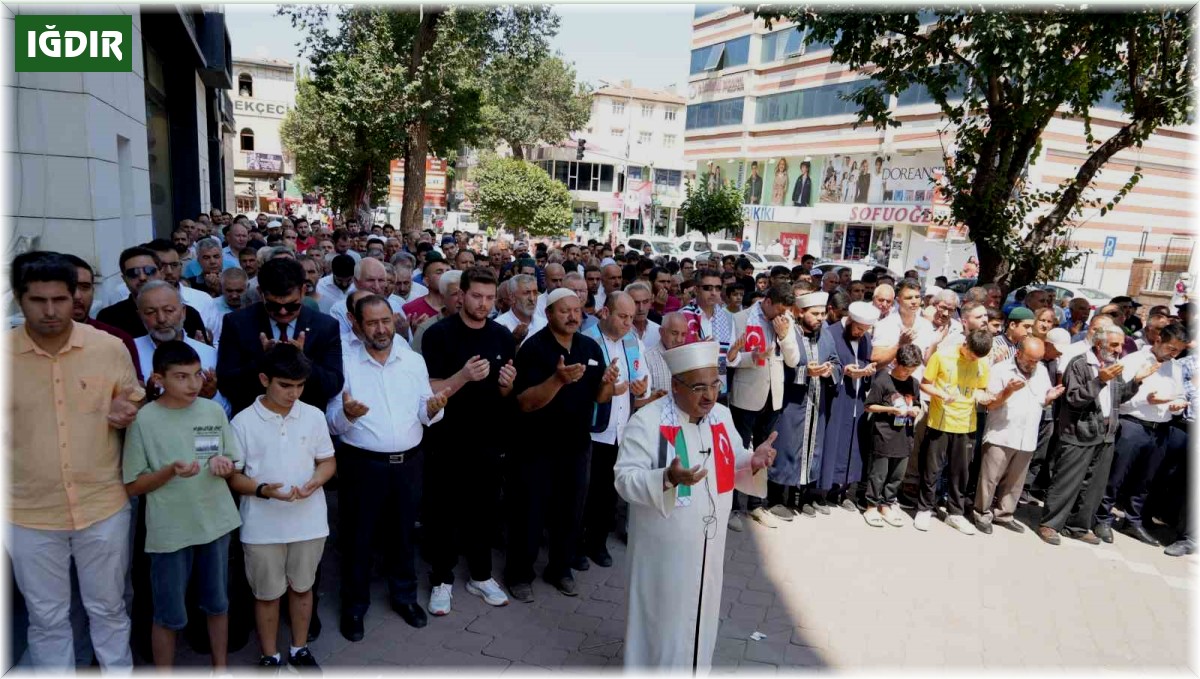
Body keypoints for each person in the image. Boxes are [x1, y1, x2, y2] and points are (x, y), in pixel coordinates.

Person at [9, 252, 142, 671]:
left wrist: (126, 407)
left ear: (77, 297)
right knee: (47, 618)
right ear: (18, 299)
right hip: (27, 513)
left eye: (60, 299)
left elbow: (132, 394)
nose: (50, 310)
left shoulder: (108, 348)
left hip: (102, 507)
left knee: (108, 609)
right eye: (37, 300)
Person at [614, 341, 775, 671]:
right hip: (663, 550)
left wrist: (754, 462)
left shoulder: (721, 416)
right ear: (675, 385)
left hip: (709, 546)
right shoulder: (647, 421)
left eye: (715, 384)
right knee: (662, 621)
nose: (709, 396)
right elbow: (624, 479)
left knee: (702, 616)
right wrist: (667, 478)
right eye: (699, 387)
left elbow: (734, 460)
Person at [328, 295, 450, 640]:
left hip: (409, 464)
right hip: (362, 466)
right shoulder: (346, 363)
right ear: (356, 324)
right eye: (372, 323)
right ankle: (354, 607)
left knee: (403, 534)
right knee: (358, 539)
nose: (382, 329)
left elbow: (425, 413)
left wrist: (436, 407)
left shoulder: (411, 360)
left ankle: (404, 597)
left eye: (386, 321)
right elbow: (333, 422)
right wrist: (347, 415)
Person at [122, 341, 242, 668]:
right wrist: (168, 472)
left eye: (197, 374)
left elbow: (232, 461)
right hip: (169, 531)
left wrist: (224, 465)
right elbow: (132, 485)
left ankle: (221, 668)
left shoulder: (213, 410)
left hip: (215, 523)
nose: (193, 384)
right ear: (158, 379)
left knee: (218, 604)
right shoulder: (144, 420)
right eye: (181, 377)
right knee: (168, 613)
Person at [506, 289, 621, 601]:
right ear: (549, 314)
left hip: (577, 446)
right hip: (536, 448)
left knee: (570, 513)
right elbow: (525, 403)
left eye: (577, 310)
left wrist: (608, 381)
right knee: (530, 513)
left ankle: (560, 569)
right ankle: (519, 574)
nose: (573, 316)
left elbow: (599, 397)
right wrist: (557, 380)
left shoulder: (589, 345)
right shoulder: (534, 349)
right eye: (564, 311)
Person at [225, 344, 334, 670]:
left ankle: (299, 649)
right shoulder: (242, 422)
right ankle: (270, 655)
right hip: (261, 526)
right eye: (285, 385)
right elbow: (233, 475)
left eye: (300, 386)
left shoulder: (313, 415)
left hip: (309, 522)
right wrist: (262, 490)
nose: (293, 393)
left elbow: (327, 461)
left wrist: (317, 480)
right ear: (263, 379)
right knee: (266, 595)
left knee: (303, 589)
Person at [420, 267, 516, 615]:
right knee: (442, 512)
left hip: (487, 440)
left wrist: (507, 383)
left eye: (490, 298)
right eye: (477, 296)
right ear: (461, 295)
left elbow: (506, 392)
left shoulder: (503, 336)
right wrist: (462, 376)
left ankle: (480, 574)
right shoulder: (438, 335)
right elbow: (428, 389)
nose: (484, 304)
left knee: (484, 511)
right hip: (446, 440)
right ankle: (441, 579)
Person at [1037, 325, 1158, 546]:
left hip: (1105, 434)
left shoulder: (1114, 366)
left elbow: (1118, 398)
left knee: (1094, 485)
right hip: (1079, 432)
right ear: (1099, 343)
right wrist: (1099, 380)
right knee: (1067, 481)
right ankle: (1050, 524)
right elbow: (1073, 399)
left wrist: (1136, 381)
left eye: (1121, 345)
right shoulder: (1080, 364)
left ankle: (1078, 526)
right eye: (1114, 344)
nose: (1119, 349)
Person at [1093, 322, 1189, 545]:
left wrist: (1177, 404)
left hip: (1161, 427)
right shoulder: (1133, 360)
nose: (1175, 354)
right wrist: (1145, 399)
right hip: (1133, 424)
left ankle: (1133, 520)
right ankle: (1102, 517)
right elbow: (1117, 395)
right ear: (1158, 341)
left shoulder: (1175, 367)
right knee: (1117, 475)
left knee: (1146, 479)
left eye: (1179, 350)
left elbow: (1181, 395)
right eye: (1171, 348)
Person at [216, 258, 344, 417]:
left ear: (303, 291)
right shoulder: (237, 323)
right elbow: (226, 383)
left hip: (306, 423)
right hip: (253, 422)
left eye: (292, 305)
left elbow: (333, 385)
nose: (283, 312)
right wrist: (263, 361)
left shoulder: (325, 326)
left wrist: (302, 361)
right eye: (273, 305)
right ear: (260, 293)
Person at [579, 292, 652, 568]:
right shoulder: (587, 339)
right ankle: (575, 545)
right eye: (622, 317)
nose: (628, 323)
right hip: (591, 429)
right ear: (606, 312)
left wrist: (640, 388)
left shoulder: (633, 341)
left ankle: (597, 544)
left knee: (607, 493)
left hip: (620, 429)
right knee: (584, 492)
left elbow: (643, 378)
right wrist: (605, 388)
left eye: (631, 318)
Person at [972, 337, 1064, 534]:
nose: (1034, 364)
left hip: (1027, 435)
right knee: (990, 478)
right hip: (1002, 433)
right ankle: (981, 512)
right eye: (1030, 359)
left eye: (1037, 360)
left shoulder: (1041, 371)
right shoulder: (1000, 370)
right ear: (1018, 353)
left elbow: (1042, 400)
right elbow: (991, 404)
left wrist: (1050, 398)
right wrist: (1008, 390)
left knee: (1015, 481)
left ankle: (1004, 514)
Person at [727, 283, 800, 529]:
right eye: (778, 310)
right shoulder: (742, 318)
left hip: (773, 396)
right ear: (767, 301)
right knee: (740, 450)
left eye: (785, 311)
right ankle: (735, 507)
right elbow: (732, 358)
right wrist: (753, 358)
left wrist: (784, 335)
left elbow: (793, 359)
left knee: (765, 451)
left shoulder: (785, 321)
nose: (781, 316)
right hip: (746, 396)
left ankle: (758, 504)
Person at [915, 329, 994, 534]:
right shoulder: (942, 355)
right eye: (972, 354)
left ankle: (955, 513)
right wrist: (940, 394)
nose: (973, 359)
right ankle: (925, 508)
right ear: (965, 344)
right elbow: (925, 384)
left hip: (967, 423)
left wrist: (981, 396)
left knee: (961, 471)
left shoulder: (982, 363)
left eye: (978, 357)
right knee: (932, 468)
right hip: (940, 420)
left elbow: (982, 388)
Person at [810, 301, 879, 513]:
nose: (860, 333)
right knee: (831, 443)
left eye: (865, 330)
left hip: (856, 399)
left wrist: (868, 372)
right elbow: (826, 363)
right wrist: (843, 372)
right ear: (849, 320)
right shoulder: (830, 333)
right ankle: (818, 494)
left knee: (851, 445)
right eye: (858, 328)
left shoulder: (865, 337)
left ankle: (842, 492)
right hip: (834, 397)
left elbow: (866, 360)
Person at [768, 291, 832, 519]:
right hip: (791, 404)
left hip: (816, 404)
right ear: (801, 312)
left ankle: (802, 498)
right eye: (815, 314)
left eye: (823, 313)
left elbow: (835, 360)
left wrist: (830, 370)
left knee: (811, 450)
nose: (821, 318)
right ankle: (776, 499)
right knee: (785, 449)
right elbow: (780, 367)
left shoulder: (824, 334)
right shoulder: (788, 332)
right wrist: (807, 372)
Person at [133, 281, 228, 415]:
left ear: (183, 312)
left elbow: (227, 414)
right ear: (140, 316)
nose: (161, 318)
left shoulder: (209, 354)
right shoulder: (129, 352)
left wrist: (212, 395)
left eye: (169, 310)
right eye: (150, 312)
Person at [862, 344, 923, 527]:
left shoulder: (913, 383)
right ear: (896, 362)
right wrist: (890, 409)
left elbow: (918, 404)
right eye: (905, 369)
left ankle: (887, 504)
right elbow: (869, 406)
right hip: (884, 434)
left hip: (905, 435)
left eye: (912, 370)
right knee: (879, 473)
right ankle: (871, 505)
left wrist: (915, 410)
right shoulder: (883, 380)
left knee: (897, 475)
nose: (907, 373)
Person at [97, 246, 209, 342]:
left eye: (149, 271)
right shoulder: (108, 318)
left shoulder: (188, 314)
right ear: (124, 279)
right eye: (133, 273)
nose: (142, 277)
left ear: (161, 273)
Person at [680, 271, 738, 396]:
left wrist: (734, 353)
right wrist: (698, 350)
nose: (713, 293)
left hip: (719, 386)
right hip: (692, 386)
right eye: (707, 288)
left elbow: (729, 357)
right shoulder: (682, 316)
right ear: (696, 290)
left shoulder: (727, 317)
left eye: (718, 288)